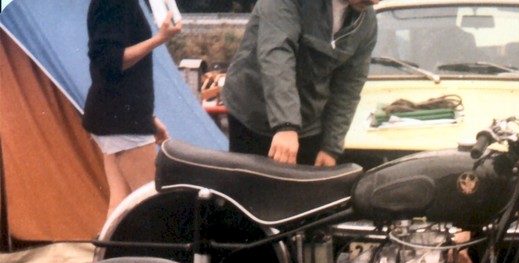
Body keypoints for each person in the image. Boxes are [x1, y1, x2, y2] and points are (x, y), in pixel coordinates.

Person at [221, 0, 379, 166]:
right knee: (250, 187)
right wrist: (286, 125)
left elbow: (348, 86)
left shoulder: (366, 21)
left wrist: (331, 147)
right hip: (252, 115)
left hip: (309, 124)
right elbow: (277, 55)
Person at [82, 0, 182, 218]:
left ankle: (110, 253)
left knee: (122, 206)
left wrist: (150, 118)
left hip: (117, 116)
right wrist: (159, 39)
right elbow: (108, 63)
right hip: (123, 121)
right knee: (151, 209)